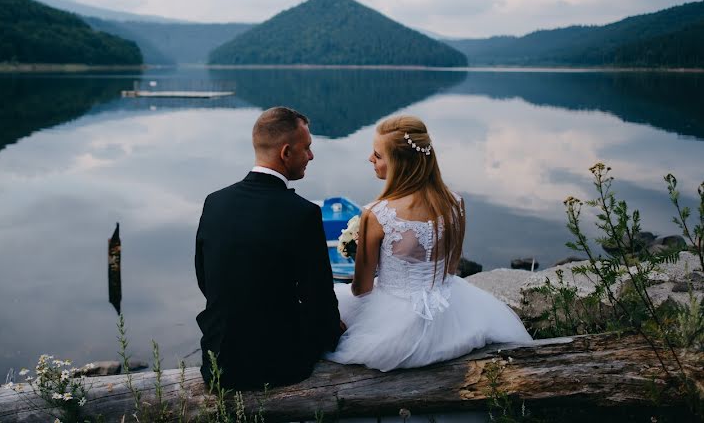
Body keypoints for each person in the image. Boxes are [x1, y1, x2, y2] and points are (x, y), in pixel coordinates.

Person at [325, 115, 531, 370]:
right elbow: (451, 266)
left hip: (395, 319)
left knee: (332, 304)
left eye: (377, 155)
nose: (370, 159)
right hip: (450, 306)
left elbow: (362, 289)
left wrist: (366, 259)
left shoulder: (377, 214)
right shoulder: (455, 203)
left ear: (399, 164)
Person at [195, 106, 342, 390]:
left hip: (219, 360)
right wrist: (332, 332)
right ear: (286, 153)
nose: (311, 156)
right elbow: (319, 297)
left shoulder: (214, 202)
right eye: (307, 148)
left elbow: (206, 279)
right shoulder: (302, 213)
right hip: (278, 365)